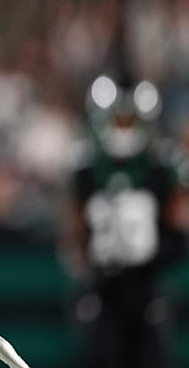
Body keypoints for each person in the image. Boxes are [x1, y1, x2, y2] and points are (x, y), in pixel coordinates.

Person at [61, 73, 189, 368]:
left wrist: (156, 264)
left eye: (129, 120)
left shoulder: (163, 166)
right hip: (103, 291)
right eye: (119, 120)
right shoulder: (85, 168)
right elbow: (72, 233)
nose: (123, 129)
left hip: (149, 288)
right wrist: (85, 270)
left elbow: (179, 230)